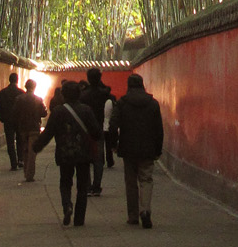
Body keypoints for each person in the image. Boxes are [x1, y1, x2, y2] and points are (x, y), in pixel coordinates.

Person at [33, 79, 102, 226]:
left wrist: (37, 146)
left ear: (64, 95)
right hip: (83, 153)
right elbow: (96, 132)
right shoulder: (86, 110)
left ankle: (67, 206)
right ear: (79, 94)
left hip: (65, 152)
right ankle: (79, 218)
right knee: (83, 185)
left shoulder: (58, 111)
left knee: (65, 182)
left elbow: (48, 133)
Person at [109, 73, 163, 228]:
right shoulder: (153, 104)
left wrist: (114, 143)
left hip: (128, 147)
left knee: (131, 181)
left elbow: (113, 125)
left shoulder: (122, 103)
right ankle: (145, 210)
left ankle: (133, 215)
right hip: (148, 148)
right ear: (142, 85)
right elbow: (158, 129)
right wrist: (158, 148)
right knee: (146, 179)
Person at [78, 67, 113, 195]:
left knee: (85, 158)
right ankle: (96, 186)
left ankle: (87, 186)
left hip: (85, 130)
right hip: (99, 128)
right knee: (98, 159)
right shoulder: (104, 94)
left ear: (88, 78)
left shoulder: (83, 95)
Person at [13, 79, 47, 181]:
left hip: (23, 128)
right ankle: (29, 174)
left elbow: (14, 112)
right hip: (34, 127)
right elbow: (44, 113)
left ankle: (26, 171)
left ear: (25, 86)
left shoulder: (19, 99)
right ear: (34, 87)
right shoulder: (38, 99)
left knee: (25, 150)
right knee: (32, 151)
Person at [0, 72, 22, 170]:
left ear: (9, 80)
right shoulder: (21, 92)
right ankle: (21, 159)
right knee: (20, 140)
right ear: (17, 80)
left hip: (8, 120)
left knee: (10, 142)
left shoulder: (3, 93)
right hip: (19, 120)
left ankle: (13, 163)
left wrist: (2, 117)